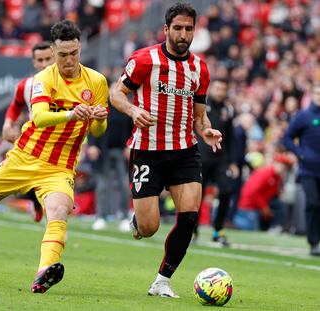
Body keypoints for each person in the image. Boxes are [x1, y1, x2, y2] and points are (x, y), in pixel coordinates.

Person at [0, 20, 109, 293]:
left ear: (80, 49)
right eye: (63, 54)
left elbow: (99, 131)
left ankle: (43, 272)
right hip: (26, 156)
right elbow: (40, 118)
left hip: (61, 165)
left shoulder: (97, 81)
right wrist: (71, 113)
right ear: (54, 53)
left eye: (74, 53)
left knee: (59, 211)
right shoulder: (44, 79)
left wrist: (99, 118)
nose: (69, 60)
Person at [110, 3, 222, 298]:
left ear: (194, 31)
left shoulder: (200, 68)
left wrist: (206, 129)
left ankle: (162, 280)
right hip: (148, 150)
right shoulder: (145, 60)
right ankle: (138, 220)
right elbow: (116, 93)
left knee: (189, 216)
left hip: (185, 150)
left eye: (188, 29)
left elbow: (200, 115)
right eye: (178, 28)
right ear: (166, 30)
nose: (183, 34)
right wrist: (133, 110)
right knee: (148, 228)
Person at [2, 41, 54, 222]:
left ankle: (53, 217)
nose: (44, 63)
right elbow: (15, 107)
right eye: (40, 59)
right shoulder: (26, 86)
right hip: (36, 139)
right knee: (30, 177)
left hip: (61, 141)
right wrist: (7, 124)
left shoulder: (68, 83)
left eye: (48, 58)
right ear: (34, 62)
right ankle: (35, 202)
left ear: (54, 57)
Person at [195, 78, 239, 246]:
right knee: (197, 195)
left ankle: (218, 230)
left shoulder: (228, 109)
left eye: (223, 89)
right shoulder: (202, 106)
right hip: (202, 157)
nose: (220, 91)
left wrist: (233, 162)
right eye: (218, 88)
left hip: (221, 159)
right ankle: (193, 230)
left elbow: (231, 138)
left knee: (227, 190)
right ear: (212, 89)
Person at [283, 82, 320, 256]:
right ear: (312, 95)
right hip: (308, 169)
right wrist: (301, 154)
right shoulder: (303, 116)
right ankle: (313, 242)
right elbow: (287, 138)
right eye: (318, 93)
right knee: (313, 202)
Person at [87, 105, 133, 232]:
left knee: (124, 185)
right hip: (103, 152)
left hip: (121, 151)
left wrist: (130, 146)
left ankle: (124, 217)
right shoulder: (101, 105)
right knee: (102, 185)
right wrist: (92, 145)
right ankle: (100, 217)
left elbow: (133, 129)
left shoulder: (125, 107)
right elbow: (92, 126)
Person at [233, 154, 292, 231]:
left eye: (285, 166)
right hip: (249, 205)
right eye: (281, 165)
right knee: (253, 230)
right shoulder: (265, 173)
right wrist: (264, 208)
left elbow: (272, 193)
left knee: (279, 204)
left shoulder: (277, 177)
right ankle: (272, 226)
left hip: (260, 205)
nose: (283, 168)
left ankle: (275, 227)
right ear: (275, 163)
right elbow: (253, 192)